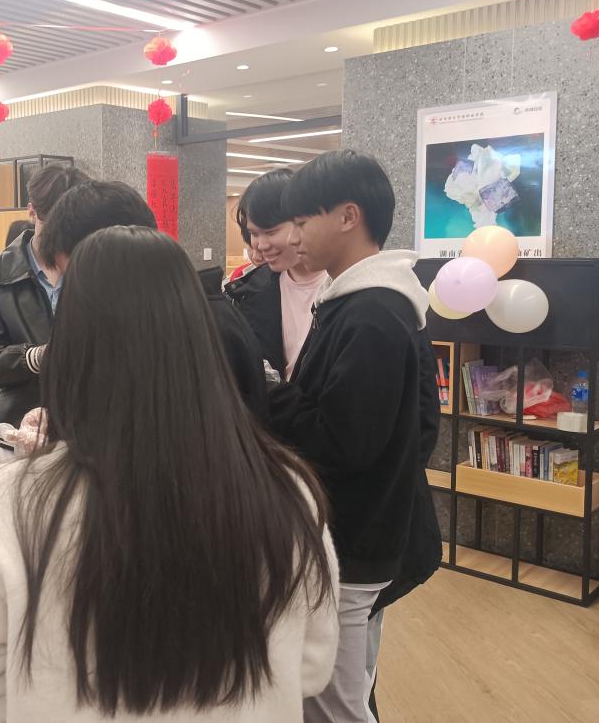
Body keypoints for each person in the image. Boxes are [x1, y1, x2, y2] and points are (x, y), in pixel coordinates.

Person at [0, 225, 339, 722]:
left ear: (71, 346)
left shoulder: (10, 506)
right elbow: (313, 666)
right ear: (201, 336)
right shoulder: (284, 488)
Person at [267, 149, 441, 723]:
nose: (293, 237)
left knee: (335, 702)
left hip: (354, 541)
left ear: (348, 216)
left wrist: (268, 392)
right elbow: (419, 425)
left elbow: (345, 441)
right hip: (365, 531)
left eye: (302, 221)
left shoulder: (372, 315)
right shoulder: (368, 302)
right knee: (344, 689)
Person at [37, 179, 269, 424]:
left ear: (118, 249)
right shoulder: (136, 319)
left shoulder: (205, 327)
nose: (76, 295)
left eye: (77, 278)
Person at [0, 163, 90, 428]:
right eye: (55, 227)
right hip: (20, 423)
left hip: (85, 418)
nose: (64, 239)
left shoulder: (92, 267)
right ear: (32, 211)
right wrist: (32, 358)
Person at [227, 169, 329, 382]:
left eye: (271, 232)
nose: (261, 245)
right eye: (254, 234)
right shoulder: (248, 291)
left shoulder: (341, 287)